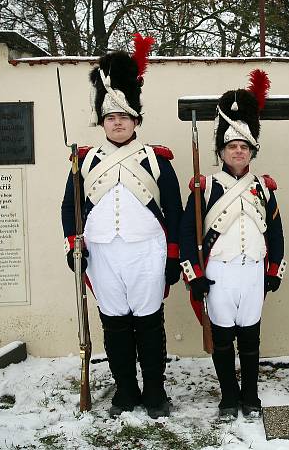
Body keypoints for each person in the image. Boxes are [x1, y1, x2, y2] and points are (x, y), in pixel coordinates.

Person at [60, 34, 183, 419]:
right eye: (111, 117)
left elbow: (175, 212)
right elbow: (70, 207)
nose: (117, 123)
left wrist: (173, 257)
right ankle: (125, 390)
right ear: (103, 121)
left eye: (124, 117)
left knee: (148, 323)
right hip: (102, 254)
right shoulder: (84, 161)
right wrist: (72, 245)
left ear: (136, 121)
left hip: (147, 253)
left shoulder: (156, 160)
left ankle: (155, 391)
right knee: (114, 325)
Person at [179, 70, 285, 418]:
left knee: (251, 338)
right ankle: (228, 396)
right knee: (223, 339)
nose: (238, 152)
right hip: (218, 273)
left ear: (252, 150)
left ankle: (250, 395)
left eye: (244, 146)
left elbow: (276, 232)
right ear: (221, 151)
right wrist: (194, 275)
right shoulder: (205, 187)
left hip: (253, 272)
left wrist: (274, 270)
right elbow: (187, 234)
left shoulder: (264, 188)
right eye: (231, 146)